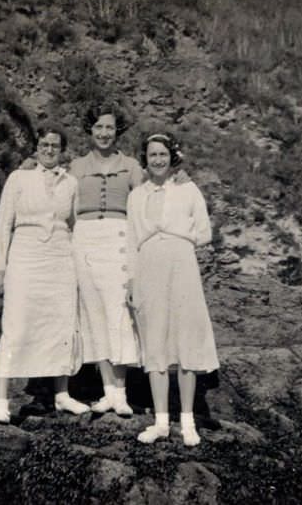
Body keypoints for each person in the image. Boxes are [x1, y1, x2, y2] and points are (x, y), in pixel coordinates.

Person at [0, 125, 90, 424]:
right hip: (25, 256)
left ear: (61, 150)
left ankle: (61, 395)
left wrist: (80, 267)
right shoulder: (18, 179)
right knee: (16, 325)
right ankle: (1, 401)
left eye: (55, 146)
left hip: (60, 260)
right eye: (44, 145)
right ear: (36, 147)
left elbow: (76, 226)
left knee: (61, 325)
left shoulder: (71, 183)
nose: (49, 150)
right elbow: (3, 223)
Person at [126, 133, 220, 446]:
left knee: (185, 341)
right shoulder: (136, 195)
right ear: (145, 159)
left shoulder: (187, 189)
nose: (158, 160)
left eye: (163, 154)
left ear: (172, 156)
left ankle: (188, 421)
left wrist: (178, 235)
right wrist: (131, 280)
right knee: (156, 342)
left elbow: (204, 232)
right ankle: (161, 422)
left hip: (182, 265)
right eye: (152, 155)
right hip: (149, 265)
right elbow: (130, 242)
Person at [70, 101, 144, 417]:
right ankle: (107, 392)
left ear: (118, 131)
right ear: (90, 130)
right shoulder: (75, 167)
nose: (104, 133)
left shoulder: (131, 166)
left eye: (110, 128)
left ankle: (122, 393)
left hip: (119, 238)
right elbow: (68, 211)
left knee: (119, 313)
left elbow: (143, 208)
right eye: (98, 127)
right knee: (93, 313)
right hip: (85, 239)